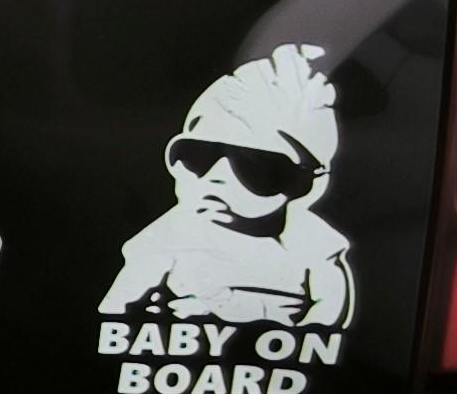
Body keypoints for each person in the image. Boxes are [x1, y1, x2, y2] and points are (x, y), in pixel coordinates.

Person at [99, 43, 354, 330]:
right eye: (196, 157)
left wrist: (310, 334)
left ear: (306, 183)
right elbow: (117, 307)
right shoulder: (172, 233)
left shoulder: (310, 239)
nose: (217, 177)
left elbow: (327, 310)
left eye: (254, 166)